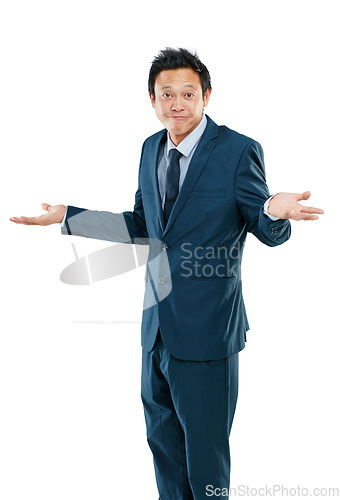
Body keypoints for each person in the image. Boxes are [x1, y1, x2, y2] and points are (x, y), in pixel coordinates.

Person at [10, 47, 324, 499]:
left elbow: (267, 230)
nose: (177, 103)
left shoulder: (238, 150)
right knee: (164, 451)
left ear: (207, 96)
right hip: (155, 330)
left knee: (206, 458)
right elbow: (144, 227)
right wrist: (68, 216)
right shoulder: (149, 148)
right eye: (167, 94)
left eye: (188, 93)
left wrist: (273, 209)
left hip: (209, 331)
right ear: (152, 100)